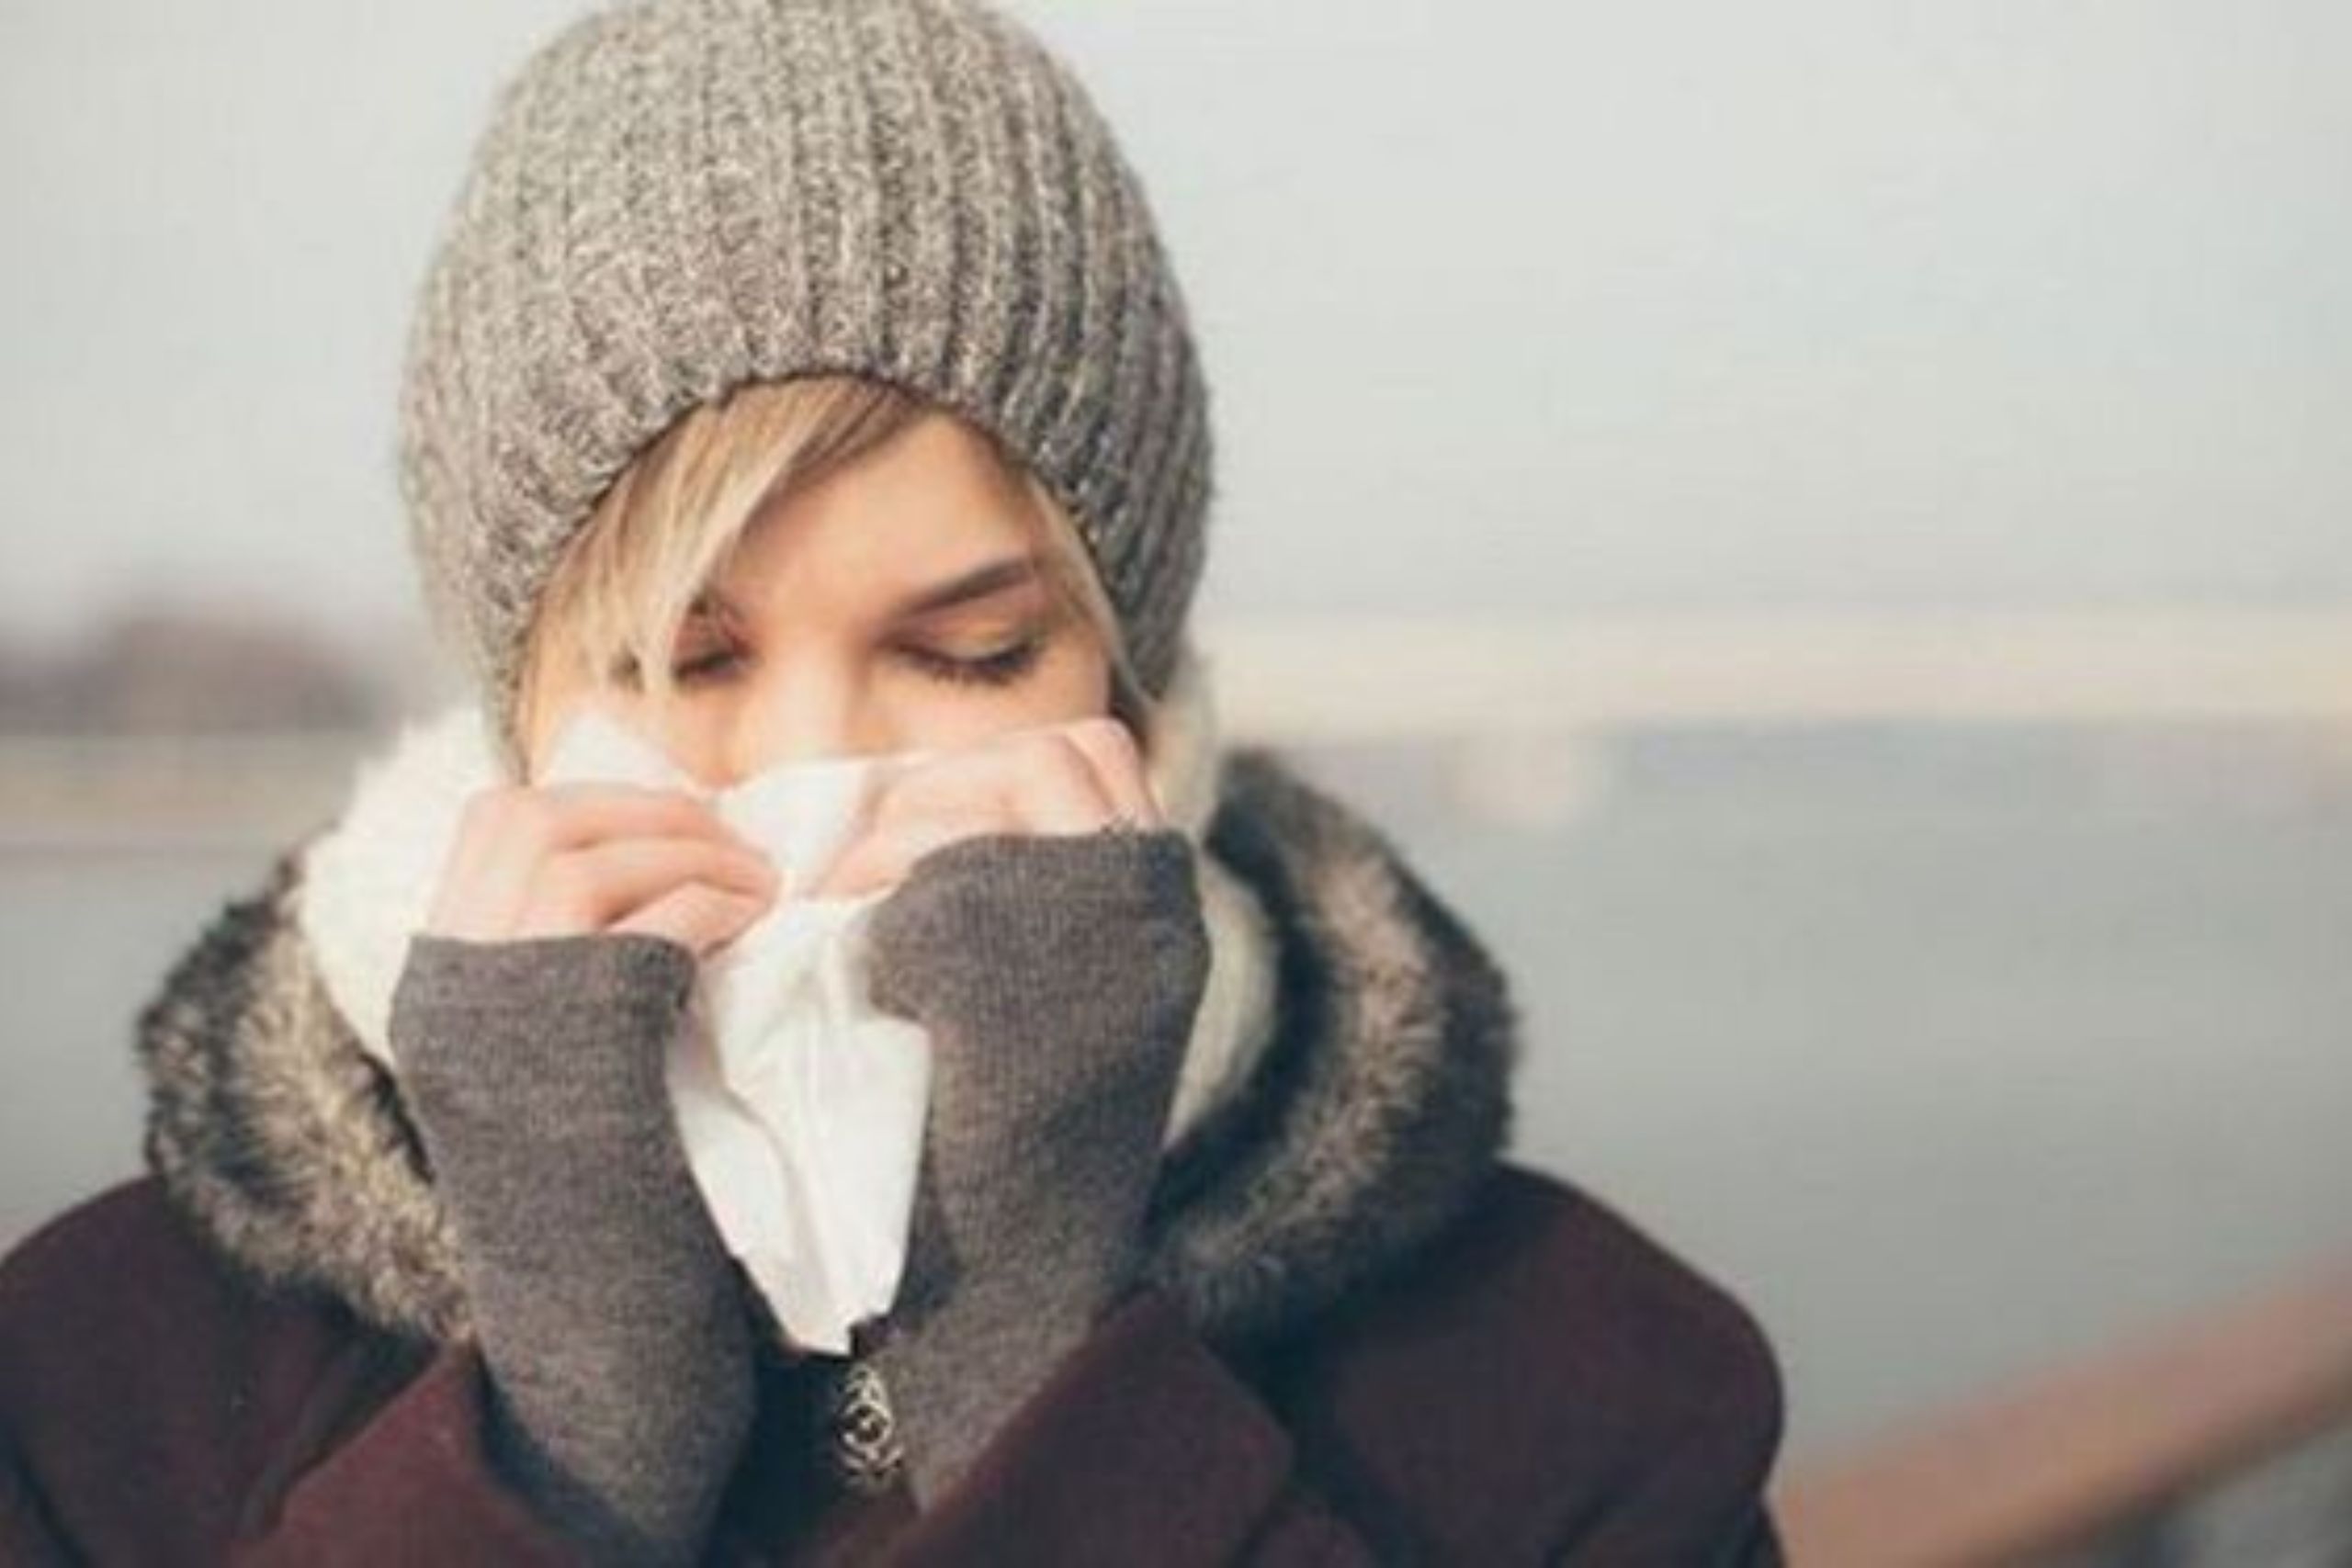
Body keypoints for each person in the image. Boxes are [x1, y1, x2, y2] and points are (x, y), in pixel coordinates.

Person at [0, 0, 1786, 1562]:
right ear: (514, 704)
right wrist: (559, 1426)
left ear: (1124, 669)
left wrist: (1040, 1376)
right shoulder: (101, 1383)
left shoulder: (1576, 1380)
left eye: (970, 652)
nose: (820, 769)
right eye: (687, 660)